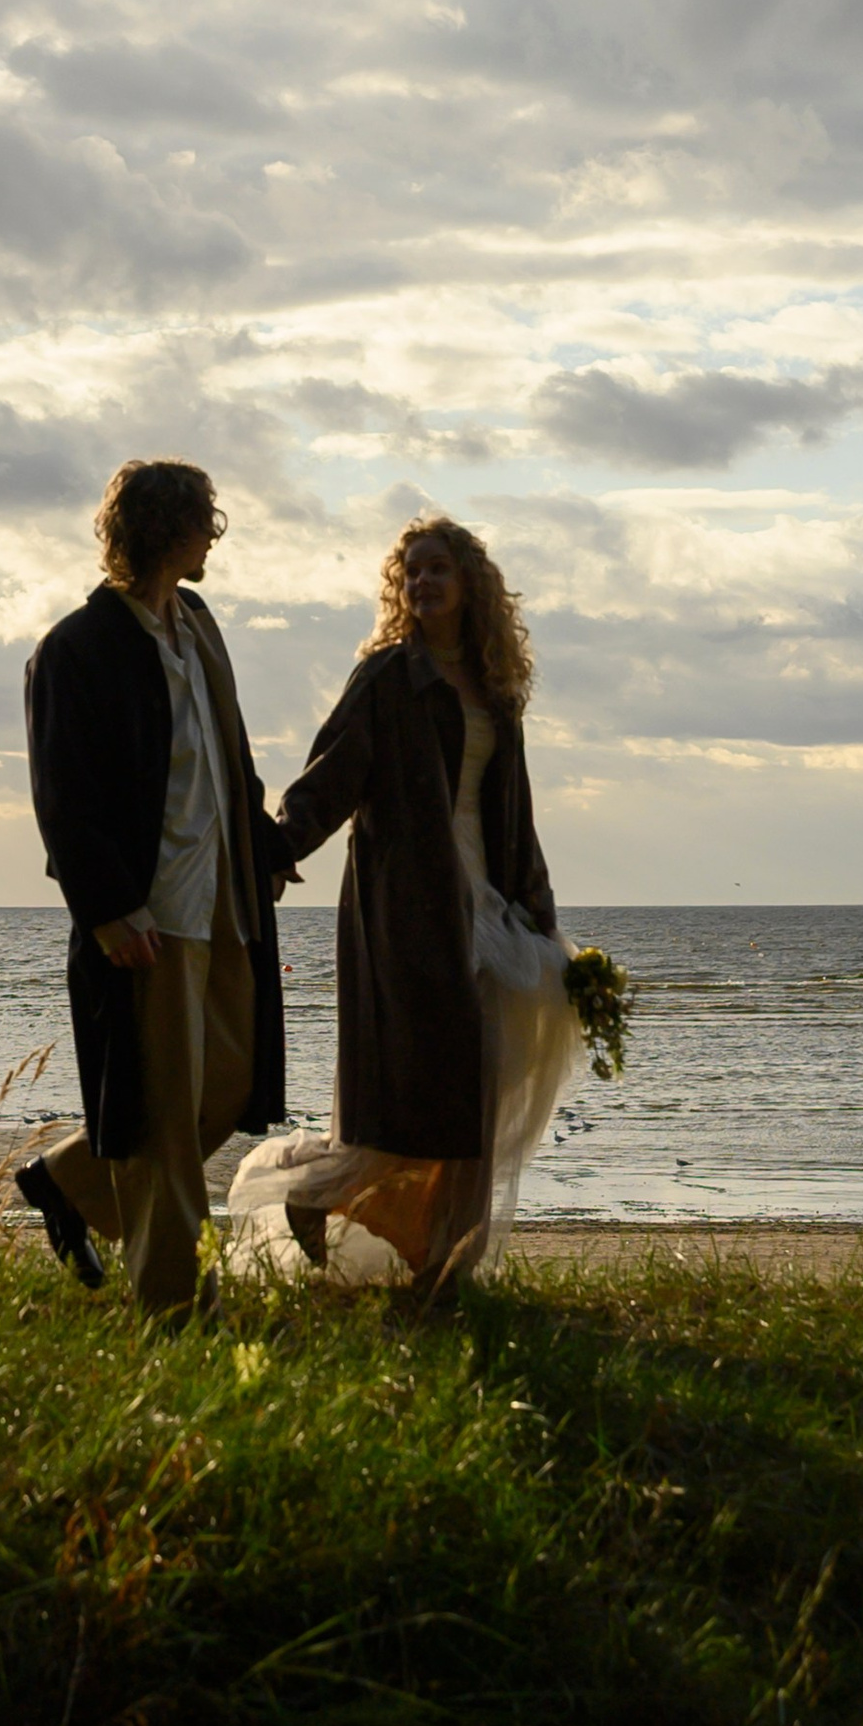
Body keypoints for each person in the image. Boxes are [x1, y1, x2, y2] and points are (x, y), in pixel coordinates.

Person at [231, 516, 579, 1301]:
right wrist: (279, 849)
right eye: (411, 572)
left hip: (489, 903)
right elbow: (331, 772)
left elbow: (516, 814)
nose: (422, 583)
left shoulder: (496, 688)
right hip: (408, 906)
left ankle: (444, 1267)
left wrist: (542, 915)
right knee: (419, 1089)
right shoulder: (387, 676)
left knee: (478, 1089)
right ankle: (317, 1192)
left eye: (437, 570)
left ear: (470, 585)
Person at [17, 458, 296, 1315]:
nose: (212, 538)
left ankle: (68, 1179)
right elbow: (64, 796)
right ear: (165, 530)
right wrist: (106, 910)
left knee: (234, 1082)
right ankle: (178, 1309)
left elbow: (228, 756)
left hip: (223, 897)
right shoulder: (77, 648)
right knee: (165, 1120)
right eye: (204, 522)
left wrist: (264, 846)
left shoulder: (199, 622)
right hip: (144, 910)